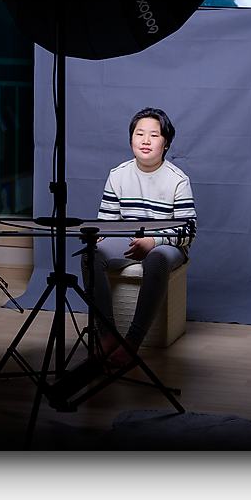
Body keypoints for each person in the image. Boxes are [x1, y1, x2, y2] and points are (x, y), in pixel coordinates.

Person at [82, 107, 195, 368]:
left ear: (166, 144)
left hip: (168, 245)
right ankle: (107, 334)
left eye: (154, 135)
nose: (146, 140)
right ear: (131, 139)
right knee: (90, 256)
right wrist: (99, 237)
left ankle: (133, 340)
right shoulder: (118, 174)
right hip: (129, 240)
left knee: (157, 258)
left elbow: (188, 231)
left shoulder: (178, 180)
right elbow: (107, 223)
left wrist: (154, 241)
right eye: (139, 133)